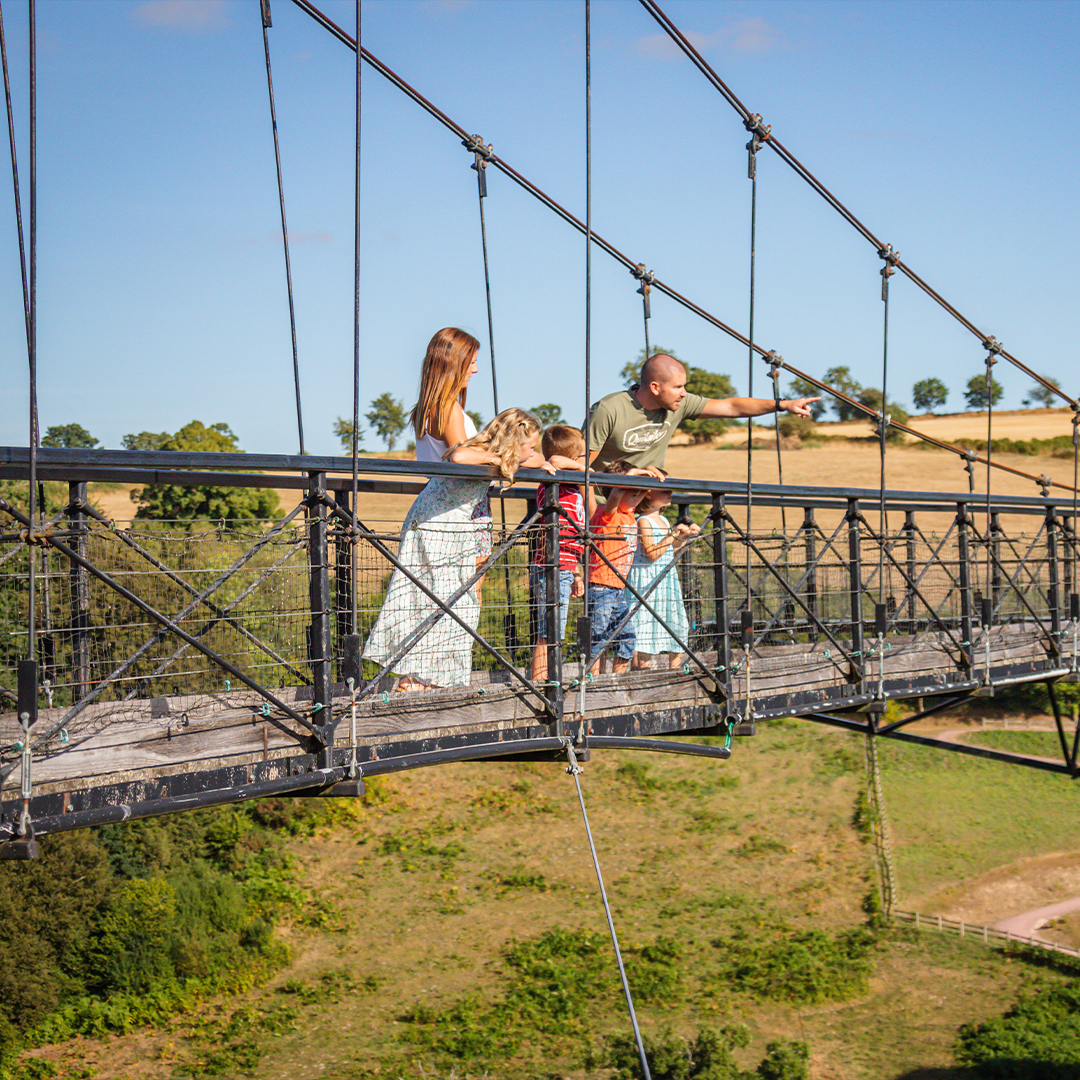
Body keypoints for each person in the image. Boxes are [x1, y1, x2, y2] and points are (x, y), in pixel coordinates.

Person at [363, 409, 553, 691]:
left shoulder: (506, 451)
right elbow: (458, 457)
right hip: (434, 525)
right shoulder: (478, 449)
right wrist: (499, 459)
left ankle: (434, 680)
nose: (532, 450)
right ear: (513, 442)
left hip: (455, 529)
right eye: (529, 444)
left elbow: (536, 458)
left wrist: (540, 461)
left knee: (460, 606)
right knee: (433, 602)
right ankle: (416, 679)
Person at [585, 352, 821, 476]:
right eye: (678, 387)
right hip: (605, 513)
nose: (684, 393)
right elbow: (580, 466)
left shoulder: (680, 405)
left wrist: (782, 405)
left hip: (646, 510)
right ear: (656, 388)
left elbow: (731, 407)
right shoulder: (610, 410)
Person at [529, 425, 587, 682]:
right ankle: (541, 682)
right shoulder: (557, 479)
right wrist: (585, 470)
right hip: (551, 566)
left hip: (564, 565)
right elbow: (553, 459)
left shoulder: (567, 485)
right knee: (549, 629)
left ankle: (548, 679)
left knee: (554, 628)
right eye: (582, 457)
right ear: (573, 460)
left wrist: (577, 573)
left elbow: (571, 539)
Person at [626, 474, 700, 671]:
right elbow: (651, 553)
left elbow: (667, 551)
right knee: (645, 625)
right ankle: (642, 673)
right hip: (647, 580)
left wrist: (683, 537)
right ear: (648, 494)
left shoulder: (664, 520)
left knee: (673, 620)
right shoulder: (643, 521)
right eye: (665, 490)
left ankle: (675, 671)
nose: (670, 493)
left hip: (666, 579)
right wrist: (673, 535)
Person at [587, 459, 646, 676]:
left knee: (627, 638)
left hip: (618, 588)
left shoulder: (629, 514)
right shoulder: (608, 513)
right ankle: (591, 682)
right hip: (601, 586)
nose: (636, 499)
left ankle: (615, 682)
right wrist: (634, 472)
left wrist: (646, 473)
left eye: (637, 495)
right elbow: (615, 495)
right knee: (597, 638)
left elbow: (645, 489)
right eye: (632, 494)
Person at [411, 327, 482, 461]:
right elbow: (462, 459)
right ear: (453, 364)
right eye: (471, 363)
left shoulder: (428, 408)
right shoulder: (448, 409)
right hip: (457, 483)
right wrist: (496, 458)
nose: (475, 369)